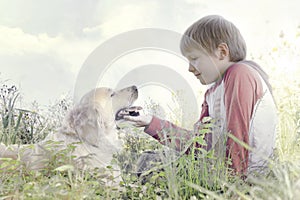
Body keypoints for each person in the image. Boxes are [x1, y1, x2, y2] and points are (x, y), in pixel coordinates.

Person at [123, 15, 277, 178]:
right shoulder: (212, 92)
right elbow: (198, 144)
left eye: (194, 59)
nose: (189, 68)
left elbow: (237, 136)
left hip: (243, 179)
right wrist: (149, 120)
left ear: (222, 52)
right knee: (148, 159)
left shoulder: (240, 73)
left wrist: (234, 187)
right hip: (218, 173)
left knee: (149, 166)